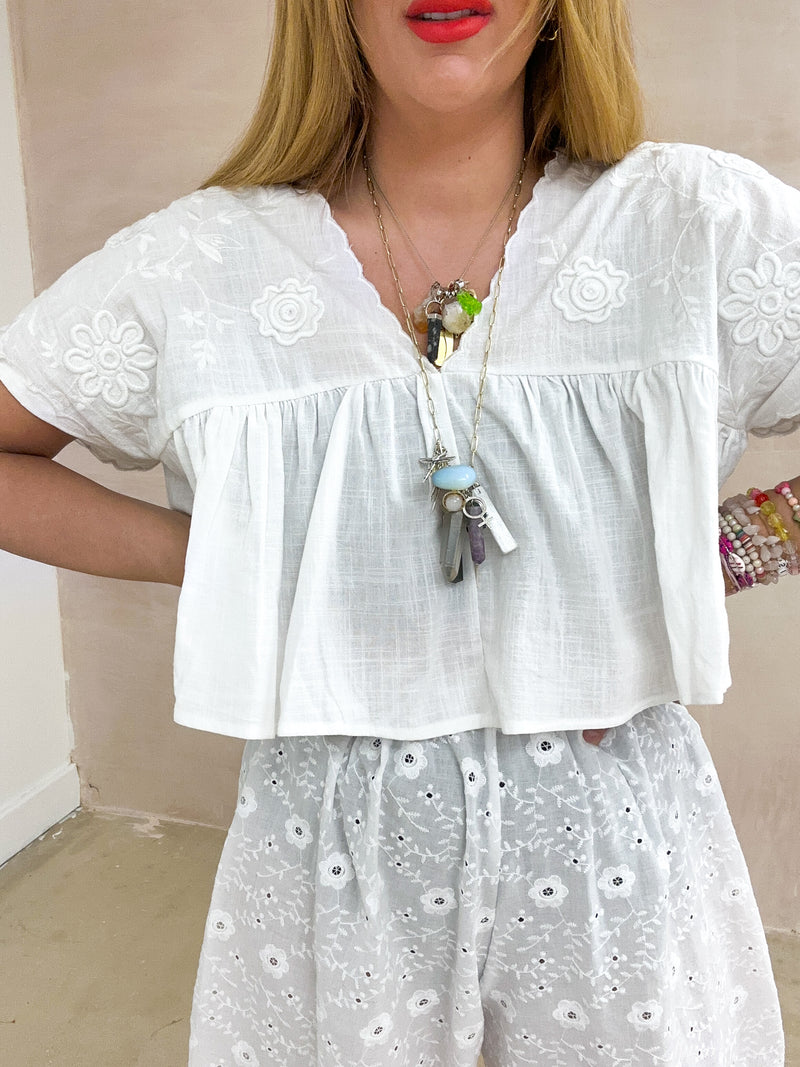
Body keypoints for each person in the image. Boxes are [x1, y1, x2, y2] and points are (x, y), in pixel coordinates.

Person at [0, 0, 796, 1062]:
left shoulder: (695, 224)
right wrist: (209, 555)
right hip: (330, 854)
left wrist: (708, 553)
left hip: (618, 849)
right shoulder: (196, 268)